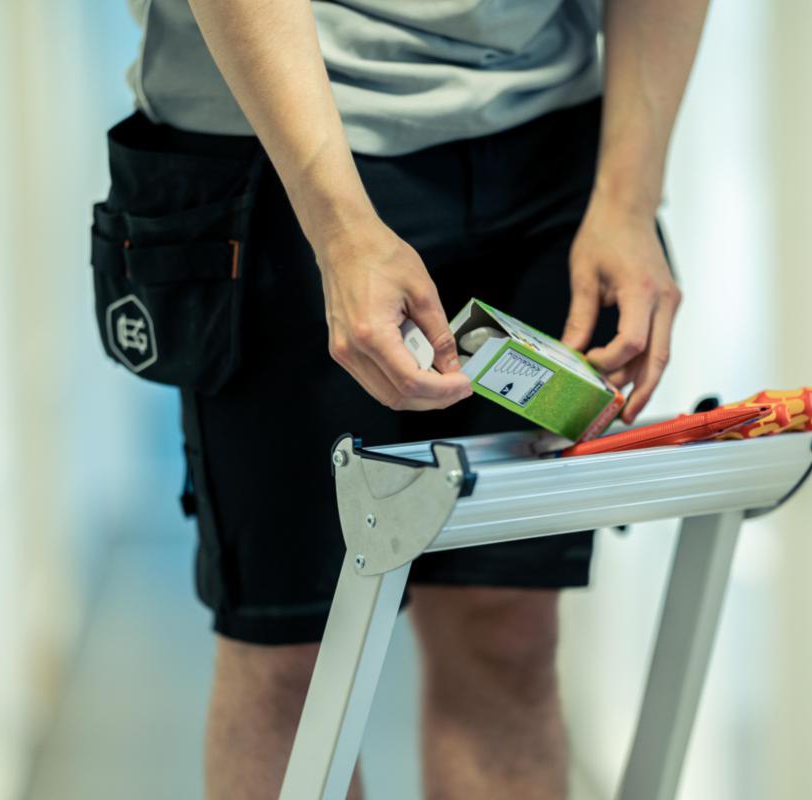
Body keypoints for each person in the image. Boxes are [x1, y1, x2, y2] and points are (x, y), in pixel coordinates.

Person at [101, 0, 709, 796]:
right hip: (272, 137)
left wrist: (630, 202)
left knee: (509, 628)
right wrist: (339, 225)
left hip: (543, 140)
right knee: (298, 658)